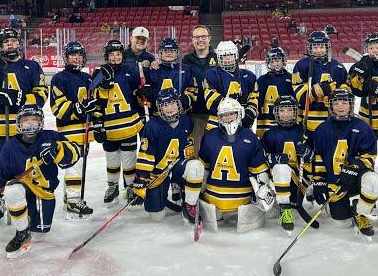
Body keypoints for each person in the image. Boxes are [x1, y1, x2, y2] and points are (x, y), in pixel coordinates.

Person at [0, 104, 82, 258]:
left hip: (44, 193)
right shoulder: (10, 146)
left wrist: (58, 149)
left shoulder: (50, 137)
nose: (30, 124)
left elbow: (76, 152)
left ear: (41, 122)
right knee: (12, 190)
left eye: (34, 120)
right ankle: (20, 230)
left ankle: (27, 218)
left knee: (39, 236)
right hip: (21, 188)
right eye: (25, 120)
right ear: (19, 123)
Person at [0, 27, 48, 221]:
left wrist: (19, 98)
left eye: (13, 41)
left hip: (27, 129)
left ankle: (24, 199)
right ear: (1, 47)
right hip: (0, 126)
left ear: (19, 44)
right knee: (1, 166)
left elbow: (42, 94)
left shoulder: (32, 66)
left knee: (27, 166)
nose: (10, 44)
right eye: (6, 42)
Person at [312, 88, 378, 242]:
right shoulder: (322, 129)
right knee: (342, 222)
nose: (340, 106)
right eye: (336, 103)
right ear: (330, 105)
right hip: (335, 182)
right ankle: (351, 210)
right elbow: (319, 158)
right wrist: (319, 181)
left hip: (357, 179)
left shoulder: (363, 127)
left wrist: (353, 169)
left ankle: (361, 212)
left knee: (372, 180)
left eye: (344, 102)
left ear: (351, 105)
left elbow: (369, 158)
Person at [198, 97, 273, 233]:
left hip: (243, 202)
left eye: (231, 113)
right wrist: (198, 190)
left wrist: (263, 187)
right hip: (212, 202)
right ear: (219, 117)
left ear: (240, 114)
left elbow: (259, 170)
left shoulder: (251, 137)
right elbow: (204, 168)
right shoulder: (209, 136)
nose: (228, 117)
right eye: (224, 115)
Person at [130, 88, 204, 223]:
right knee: (156, 217)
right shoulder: (152, 126)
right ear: (160, 108)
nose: (169, 108)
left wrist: (187, 147)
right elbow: (145, 155)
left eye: (172, 103)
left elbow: (186, 141)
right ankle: (162, 196)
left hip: (176, 166)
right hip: (158, 173)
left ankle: (189, 205)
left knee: (195, 167)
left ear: (178, 104)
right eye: (164, 105)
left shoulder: (186, 121)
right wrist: (141, 180)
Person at [91, 40, 145, 205]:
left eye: (118, 54)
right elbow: (93, 97)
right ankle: (113, 186)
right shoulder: (100, 72)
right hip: (109, 127)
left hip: (128, 124)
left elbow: (137, 93)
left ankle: (130, 188)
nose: (115, 57)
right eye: (112, 55)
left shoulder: (130, 70)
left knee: (129, 158)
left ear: (122, 55)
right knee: (112, 159)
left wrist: (141, 92)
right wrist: (97, 124)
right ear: (106, 56)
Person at [49, 41, 98, 218]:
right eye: (72, 55)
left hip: (85, 131)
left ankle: (69, 199)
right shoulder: (59, 78)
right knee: (73, 167)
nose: (76, 58)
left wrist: (93, 110)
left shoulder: (87, 78)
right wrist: (78, 108)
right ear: (66, 58)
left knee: (75, 167)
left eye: (79, 55)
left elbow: (93, 103)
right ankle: (73, 200)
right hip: (68, 132)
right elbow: (58, 108)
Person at [262, 95, 315, 232]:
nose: (286, 114)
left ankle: (306, 194)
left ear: (296, 111)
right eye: (282, 110)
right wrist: (274, 159)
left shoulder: (304, 132)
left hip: (300, 179)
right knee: (280, 168)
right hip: (278, 180)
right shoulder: (270, 134)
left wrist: (308, 153)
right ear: (276, 112)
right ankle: (285, 209)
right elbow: (263, 159)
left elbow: (315, 158)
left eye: (290, 110)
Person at [293, 31, 348, 134]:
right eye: (315, 47)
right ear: (310, 48)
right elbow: (300, 98)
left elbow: (346, 93)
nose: (318, 50)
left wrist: (335, 94)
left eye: (322, 47)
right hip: (309, 119)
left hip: (333, 118)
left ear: (327, 47)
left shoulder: (338, 67)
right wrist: (317, 91)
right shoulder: (302, 65)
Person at [203, 40, 259, 132]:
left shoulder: (249, 76)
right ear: (219, 58)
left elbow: (254, 97)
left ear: (236, 56)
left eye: (230, 55)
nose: (228, 59)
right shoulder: (211, 74)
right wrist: (234, 112)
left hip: (242, 121)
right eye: (224, 56)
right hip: (218, 121)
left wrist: (249, 113)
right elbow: (211, 99)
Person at [182, 25, 218, 156]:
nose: (200, 39)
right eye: (197, 37)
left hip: (217, 114)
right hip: (195, 114)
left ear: (209, 39)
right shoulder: (186, 61)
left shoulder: (219, 58)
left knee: (216, 150)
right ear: (192, 40)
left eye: (203, 36)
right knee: (196, 152)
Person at [142, 37, 197, 117]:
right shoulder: (153, 70)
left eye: (172, 51)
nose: (169, 53)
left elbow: (194, 90)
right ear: (160, 53)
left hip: (181, 115)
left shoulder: (186, 69)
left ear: (177, 53)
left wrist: (185, 100)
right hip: (158, 116)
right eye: (166, 51)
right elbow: (146, 92)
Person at [255, 47, 297, 138]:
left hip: (286, 119)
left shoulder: (291, 79)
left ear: (283, 62)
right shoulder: (261, 80)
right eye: (272, 61)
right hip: (265, 121)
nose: (275, 64)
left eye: (277, 61)